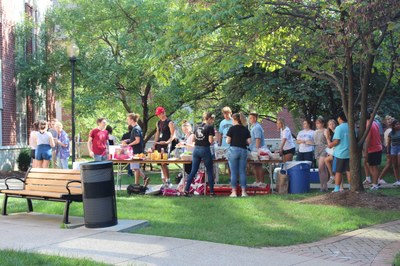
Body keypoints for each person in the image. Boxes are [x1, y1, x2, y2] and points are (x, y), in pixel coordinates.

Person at [183, 112, 216, 197]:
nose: (212, 121)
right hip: (205, 149)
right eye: (212, 119)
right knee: (209, 171)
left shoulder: (197, 126)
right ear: (209, 119)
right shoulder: (210, 127)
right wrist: (214, 139)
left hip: (196, 150)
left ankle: (186, 190)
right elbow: (210, 141)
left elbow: (193, 139)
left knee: (193, 171)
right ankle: (212, 192)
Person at [226, 113, 251, 197]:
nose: (232, 121)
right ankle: (244, 192)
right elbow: (249, 141)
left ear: (235, 119)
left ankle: (234, 192)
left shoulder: (232, 129)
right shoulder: (245, 129)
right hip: (243, 150)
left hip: (233, 150)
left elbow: (228, 141)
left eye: (232, 120)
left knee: (233, 172)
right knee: (242, 172)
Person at [122, 113, 149, 186]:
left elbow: (137, 140)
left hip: (136, 151)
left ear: (131, 120)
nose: (127, 121)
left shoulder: (136, 128)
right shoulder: (136, 128)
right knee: (135, 168)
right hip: (136, 150)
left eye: (128, 119)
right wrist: (128, 140)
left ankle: (136, 184)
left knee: (135, 168)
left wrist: (128, 145)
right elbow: (134, 139)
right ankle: (145, 178)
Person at [153, 106, 176, 186]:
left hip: (166, 145)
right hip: (159, 144)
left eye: (160, 114)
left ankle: (168, 180)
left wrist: (166, 142)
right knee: (160, 163)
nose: (158, 116)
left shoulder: (169, 122)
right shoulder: (158, 123)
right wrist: (155, 143)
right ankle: (165, 180)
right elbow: (157, 133)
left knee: (164, 163)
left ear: (163, 113)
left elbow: (173, 135)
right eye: (158, 114)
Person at [328, 112, 350, 193]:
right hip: (349, 153)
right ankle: (351, 187)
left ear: (340, 118)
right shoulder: (351, 126)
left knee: (338, 171)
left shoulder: (339, 128)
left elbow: (337, 141)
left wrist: (330, 145)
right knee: (349, 171)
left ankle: (337, 188)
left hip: (340, 153)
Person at [363, 109, 383, 190]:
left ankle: (375, 184)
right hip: (378, 147)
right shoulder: (375, 123)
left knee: (373, 167)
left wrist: (366, 151)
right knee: (373, 166)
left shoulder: (368, 125)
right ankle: (375, 182)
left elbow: (368, 139)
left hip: (373, 148)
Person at [248, 112, 266, 185]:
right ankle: (257, 181)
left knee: (258, 165)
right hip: (252, 149)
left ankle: (261, 182)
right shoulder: (253, 127)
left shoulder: (257, 127)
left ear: (255, 118)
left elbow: (258, 139)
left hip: (257, 149)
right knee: (254, 166)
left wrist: (257, 150)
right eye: (249, 118)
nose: (250, 120)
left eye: (251, 118)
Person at [377, 115, 394, 184]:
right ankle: (379, 178)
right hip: (391, 148)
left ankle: (380, 178)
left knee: (391, 164)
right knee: (389, 164)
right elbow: (389, 142)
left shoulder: (387, 130)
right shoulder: (390, 131)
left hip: (389, 148)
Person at [313, 117, 329, 192]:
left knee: (320, 168)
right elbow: (314, 142)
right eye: (316, 123)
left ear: (322, 123)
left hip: (324, 149)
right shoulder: (315, 132)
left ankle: (323, 186)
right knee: (323, 169)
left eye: (318, 123)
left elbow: (328, 140)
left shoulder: (325, 130)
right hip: (317, 149)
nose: (317, 124)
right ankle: (324, 186)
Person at [388, 119, 400, 186]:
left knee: (399, 163)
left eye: (399, 124)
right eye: (396, 124)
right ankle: (397, 180)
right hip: (393, 148)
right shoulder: (391, 133)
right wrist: (387, 152)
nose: (398, 125)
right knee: (394, 165)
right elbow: (388, 143)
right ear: (393, 126)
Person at [324, 119, 337, 183]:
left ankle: (332, 176)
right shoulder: (331, 133)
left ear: (335, 124)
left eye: (333, 124)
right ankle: (332, 176)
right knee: (327, 160)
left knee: (327, 160)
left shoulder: (336, 132)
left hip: (337, 152)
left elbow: (331, 145)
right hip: (333, 151)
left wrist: (327, 137)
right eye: (330, 124)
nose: (331, 125)